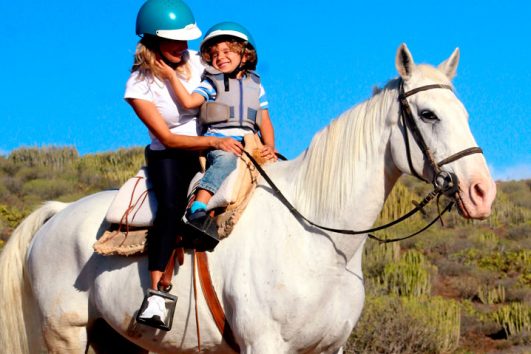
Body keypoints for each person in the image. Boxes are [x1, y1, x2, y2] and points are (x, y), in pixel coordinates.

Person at [125, 0, 243, 326]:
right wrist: (214, 141)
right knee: (171, 206)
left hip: (213, 143)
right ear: (152, 39)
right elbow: (168, 137)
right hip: (170, 155)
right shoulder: (138, 85)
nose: (182, 46)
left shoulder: (197, 61)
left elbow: (233, 85)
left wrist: (252, 131)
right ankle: (155, 297)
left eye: (185, 39)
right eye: (174, 40)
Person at [154, 21, 276, 234]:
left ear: (245, 55)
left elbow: (264, 120)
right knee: (225, 162)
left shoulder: (256, 86)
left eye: (227, 51)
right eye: (215, 54)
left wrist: (271, 146)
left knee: (277, 169)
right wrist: (172, 77)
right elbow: (189, 102)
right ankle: (197, 206)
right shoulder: (211, 83)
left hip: (250, 143)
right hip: (220, 142)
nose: (220, 57)